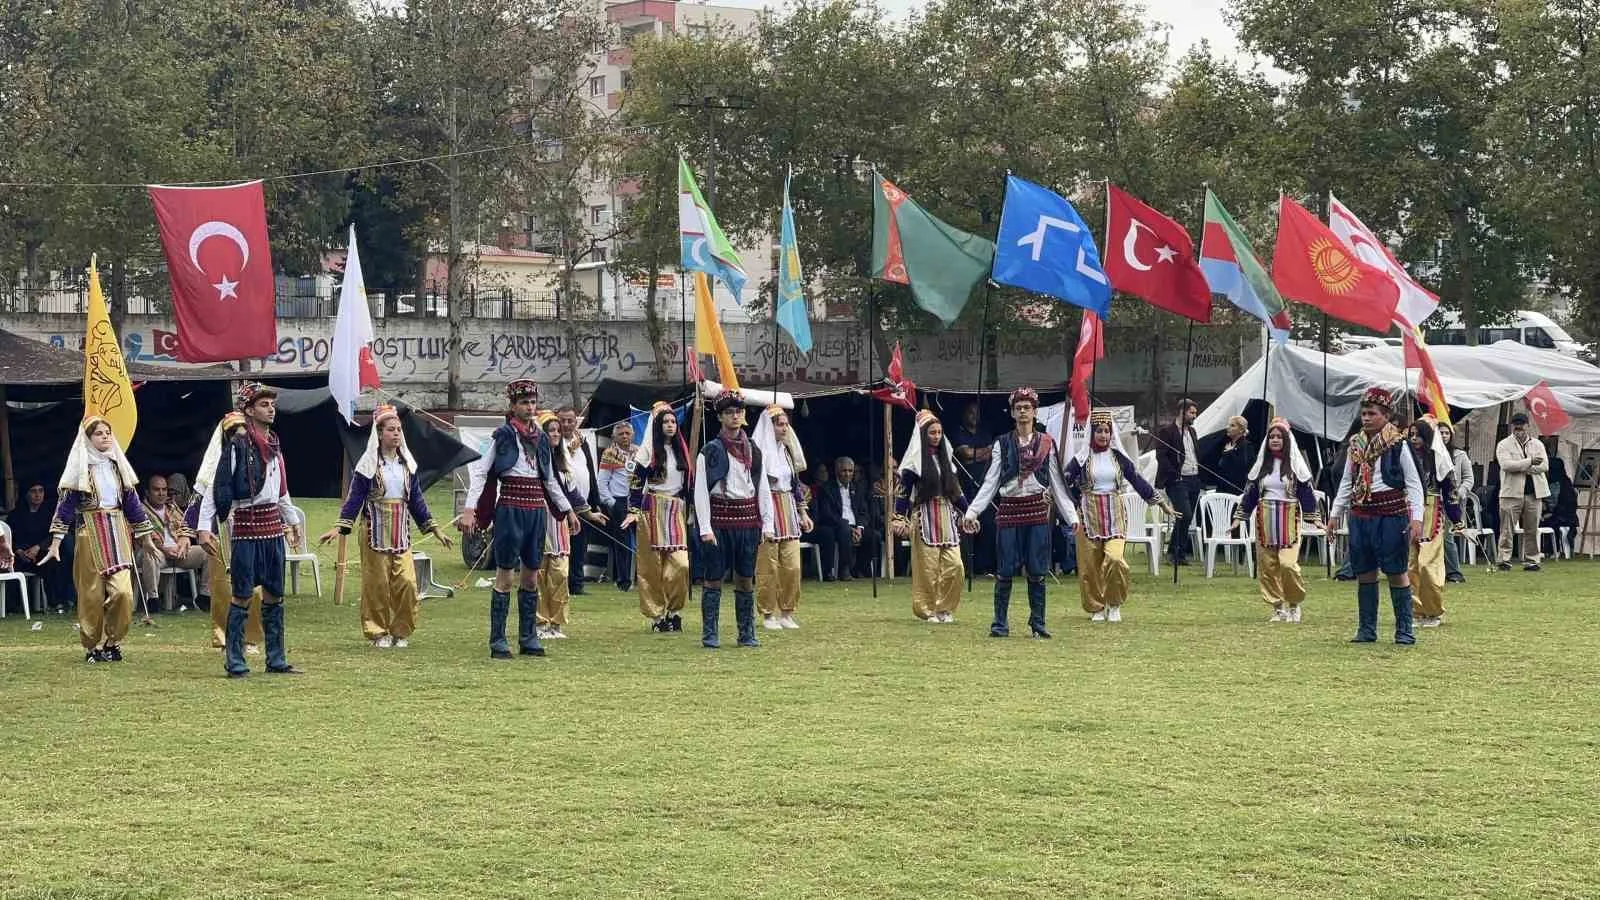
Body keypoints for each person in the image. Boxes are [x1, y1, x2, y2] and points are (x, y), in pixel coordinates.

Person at [461, 380, 594, 660]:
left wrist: (568, 510)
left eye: (532, 402)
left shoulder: (543, 439)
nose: (529, 407)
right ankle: (498, 640)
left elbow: (550, 480)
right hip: (510, 508)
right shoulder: (504, 436)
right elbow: (482, 473)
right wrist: (470, 509)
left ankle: (528, 637)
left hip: (535, 510)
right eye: (524, 403)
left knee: (532, 575)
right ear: (513, 406)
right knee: (506, 575)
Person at [320, 404, 452, 648]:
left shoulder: (407, 466)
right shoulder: (368, 466)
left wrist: (436, 529)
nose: (396, 434)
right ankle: (378, 632)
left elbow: (417, 500)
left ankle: (400, 631)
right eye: (391, 430)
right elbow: (355, 498)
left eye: (399, 430)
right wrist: (338, 528)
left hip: (400, 530)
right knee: (377, 585)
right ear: (379, 434)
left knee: (407, 584)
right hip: (374, 530)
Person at [205, 383, 307, 677]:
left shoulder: (274, 443)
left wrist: (293, 521)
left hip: (273, 525)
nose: (271, 408)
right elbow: (218, 486)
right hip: (247, 525)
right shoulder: (237, 446)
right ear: (249, 411)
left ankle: (276, 658)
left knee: (275, 593)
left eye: (272, 404)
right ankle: (235, 661)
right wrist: (204, 527)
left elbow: (281, 489)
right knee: (242, 594)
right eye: (264, 405)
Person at [962, 387, 1077, 638]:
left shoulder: (1047, 443)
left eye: (1027, 408)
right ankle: (1000, 624)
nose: (1023, 412)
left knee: (1037, 571)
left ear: (1035, 412)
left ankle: (1038, 623)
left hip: (1036, 511)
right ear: (1012, 413)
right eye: (1018, 408)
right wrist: (972, 512)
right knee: (1004, 571)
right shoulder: (1002, 444)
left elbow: (1057, 483)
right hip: (1009, 510)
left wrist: (1072, 517)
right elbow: (991, 482)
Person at [42, 417, 158, 662]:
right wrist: (55, 543)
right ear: (88, 439)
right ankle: (91, 646)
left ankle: (113, 641)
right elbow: (64, 509)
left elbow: (133, 505)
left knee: (123, 593)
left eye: (107, 432)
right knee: (91, 595)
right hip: (89, 534)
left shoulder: (118, 467)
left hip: (117, 532)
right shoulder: (80, 470)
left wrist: (146, 538)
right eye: (99, 434)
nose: (105, 436)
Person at [1328, 387, 1425, 646]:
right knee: (1365, 572)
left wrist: (1416, 518)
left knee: (1396, 571)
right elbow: (1347, 482)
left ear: (1385, 415)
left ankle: (1404, 630)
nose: (1366, 418)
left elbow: (1414, 483)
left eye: (1372, 413)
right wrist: (1335, 514)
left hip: (1391, 514)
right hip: (1361, 514)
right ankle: (1367, 629)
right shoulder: (1356, 445)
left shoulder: (1398, 444)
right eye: (1364, 413)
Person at [1061, 408, 1170, 623]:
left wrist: (1160, 503)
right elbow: (1064, 481)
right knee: (1090, 565)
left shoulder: (1119, 458)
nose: (1103, 435)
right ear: (1091, 433)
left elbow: (1138, 481)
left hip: (1115, 513)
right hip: (1088, 514)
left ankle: (1114, 603)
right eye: (1099, 431)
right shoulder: (1081, 459)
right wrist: (1056, 496)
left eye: (1107, 431)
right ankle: (1097, 607)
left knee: (1115, 558)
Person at [694, 392, 776, 649]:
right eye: (729, 412)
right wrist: (705, 527)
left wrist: (768, 522)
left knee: (745, 577)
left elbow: (762, 487)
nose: (735, 416)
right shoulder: (709, 451)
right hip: (719, 518)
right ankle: (710, 633)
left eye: (738, 412)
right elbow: (700, 492)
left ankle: (747, 633)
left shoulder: (754, 450)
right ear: (720, 416)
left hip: (748, 520)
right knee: (714, 577)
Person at [188, 412, 263, 653]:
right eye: (233, 431)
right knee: (221, 587)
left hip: (252, 526)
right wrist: (190, 531)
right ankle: (223, 637)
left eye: (242, 429)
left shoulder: (257, 459)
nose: (239, 434)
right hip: (221, 530)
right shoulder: (214, 466)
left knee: (254, 583)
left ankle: (250, 638)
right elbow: (200, 500)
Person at [1233, 418, 1319, 623]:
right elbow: (1251, 494)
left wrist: (1314, 518)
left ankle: (1294, 604)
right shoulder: (1262, 466)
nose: (1275, 440)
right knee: (1268, 566)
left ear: (1287, 440)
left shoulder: (1295, 466)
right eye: (1271, 436)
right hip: (1265, 520)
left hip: (1289, 519)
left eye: (1279, 437)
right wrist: (1239, 518)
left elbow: (1307, 494)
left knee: (1288, 564)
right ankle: (1277, 607)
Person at [894, 411, 975, 622]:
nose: (936, 436)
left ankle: (944, 608)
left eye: (939, 432)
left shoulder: (946, 459)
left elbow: (956, 492)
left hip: (946, 515)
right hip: (924, 516)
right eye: (932, 433)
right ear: (924, 435)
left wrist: (970, 512)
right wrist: (898, 518)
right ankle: (927, 610)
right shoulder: (915, 463)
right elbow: (903, 493)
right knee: (927, 569)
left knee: (955, 565)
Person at [621, 401, 692, 633]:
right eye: (666, 422)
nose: (670, 425)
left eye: (673, 422)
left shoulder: (682, 450)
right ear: (658, 426)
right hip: (651, 508)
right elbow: (635, 482)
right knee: (653, 567)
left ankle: (675, 610)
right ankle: (657, 616)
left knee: (680, 564)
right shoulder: (648, 452)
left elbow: (688, 484)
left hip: (675, 510)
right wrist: (632, 511)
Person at [753, 404, 811, 630]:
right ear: (770, 427)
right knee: (769, 565)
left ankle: (787, 611)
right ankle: (768, 614)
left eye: (786, 424)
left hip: (787, 507)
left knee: (793, 566)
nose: (784, 428)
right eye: (780, 424)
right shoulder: (757, 453)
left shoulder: (787, 452)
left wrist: (803, 512)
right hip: (766, 507)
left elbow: (795, 484)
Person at [1408, 417, 1463, 628]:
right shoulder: (1407, 457)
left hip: (1432, 512)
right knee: (1412, 565)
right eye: (1411, 435)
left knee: (1427, 565)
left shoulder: (1438, 459)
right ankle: (1417, 611)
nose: (1414, 439)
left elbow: (1450, 491)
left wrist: (1457, 518)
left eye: (1418, 435)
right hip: (1410, 512)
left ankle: (1433, 611)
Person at [535, 411, 580, 639]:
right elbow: (548, 487)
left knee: (561, 573)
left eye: (557, 431)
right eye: (550, 430)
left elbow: (571, 490)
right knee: (540, 573)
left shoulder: (563, 459)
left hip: (560, 519)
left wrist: (588, 513)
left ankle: (557, 622)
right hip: (541, 516)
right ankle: (540, 623)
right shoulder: (536, 460)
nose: (555, 434)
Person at [136, 474, 208, 613]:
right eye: (156, 489)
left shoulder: (172, 507)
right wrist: (163, 548)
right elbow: (139, 536)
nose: (161, 493)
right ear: (147, 492)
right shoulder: (139, 510)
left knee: (208, 550)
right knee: (150, 554)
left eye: (164, 489)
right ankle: (153, 600)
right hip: (155, 552)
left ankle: (205, 596)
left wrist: (184, 539)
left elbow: (185, 526)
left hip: (177, 553)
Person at [7, 482, 75, 613]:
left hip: (44, 552)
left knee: (56, 561)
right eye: (33, 491)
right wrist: (19, 551)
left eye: (40, 491)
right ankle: (12, 606)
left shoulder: (51, 513)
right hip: (21, 555)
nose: (37, 495)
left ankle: (57, 603)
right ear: (26, 495)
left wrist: (38, 547)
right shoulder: (16, 515)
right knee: (8, 565)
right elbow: (11, 537)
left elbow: (56, 533)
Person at [1495, 412, 1549, 571]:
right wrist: (1530, 462)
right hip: (1511, 493)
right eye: (1516, 424)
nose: (1519, 427)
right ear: (1512, 426)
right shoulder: (1503, 444)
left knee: (1532, 529)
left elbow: (1545, 466)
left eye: (1522, 424)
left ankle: (1531, 560)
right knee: (1507, 529)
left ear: (1527, 425)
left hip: (1534, 493)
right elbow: (1506, 465)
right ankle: (1504, 560)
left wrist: (1522, 467)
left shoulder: (1538, 444)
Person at [557, 405, 601, 596]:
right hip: (563, 504)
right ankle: (561, 584)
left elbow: (590, 471)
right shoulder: (554, 443)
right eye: (562, 421)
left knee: (580, 547)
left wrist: (594, 501)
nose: (566, 424)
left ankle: (577, 584)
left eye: (570, 420)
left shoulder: (582, 443)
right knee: (563, 547)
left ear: (577, 422)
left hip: (584, 504)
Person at [1155, 398, 1203, 566]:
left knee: (1187, 518)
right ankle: (1175, 552)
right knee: (1185, 513)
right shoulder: (1167, 432)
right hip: (1177, 480)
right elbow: (1161, 456)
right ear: (1182, 411)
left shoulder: (1193, 432)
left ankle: (1178, 553)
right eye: (1192, 412)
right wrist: (1175, 474)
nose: (1194, 416)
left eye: (1195, 413)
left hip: (1194, 478)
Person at [951, 402, 996, 575]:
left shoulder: (985, 431)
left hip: (984, 486)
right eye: (970, 413)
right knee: (967, 524)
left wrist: (975, 454)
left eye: (976, 413)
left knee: (988, 524)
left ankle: (985, 567)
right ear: (964, 414)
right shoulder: (958, 431)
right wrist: (981, 453)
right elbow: (965, 455)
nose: (974, 416)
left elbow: (990, 453)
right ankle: (967, 568)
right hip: (965, 486)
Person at [810, 456, 864, 581]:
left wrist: (860, 528)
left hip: (856, 526)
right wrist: (847, 526)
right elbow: (826, 513)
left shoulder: (857, 488)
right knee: (842, 530)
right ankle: (843, 570)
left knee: (875, 536)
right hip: (837, 525)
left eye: (850, 471)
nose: (847, 474)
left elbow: (863, 512)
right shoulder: (827, 488)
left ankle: (861, 570)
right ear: (836, 471)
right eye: (844, 470)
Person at [598, 420, 636, 592]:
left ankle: (640, 577)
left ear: (633, 435)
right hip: (618, 501)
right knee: (622, 542)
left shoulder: (638, 452)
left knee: (639, 540)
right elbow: (602, 482)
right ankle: (623, 580)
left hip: (635, 500)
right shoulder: (609, 454)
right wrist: (611, 503)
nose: (625, 436)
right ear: (614, 436)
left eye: (627, 433)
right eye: (621, 434)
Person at [1437, 421, 1474, 583]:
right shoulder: (1429, 453)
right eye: (1440, 433)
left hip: (1452, 500)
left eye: (1446, 433)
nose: (1444, 436)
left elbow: (1469, 478)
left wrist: (1461, 491)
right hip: (1432, 500)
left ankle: (1453, 572)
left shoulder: (1459, 454)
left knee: (1447, 537)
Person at [1542, 437, 1579, 559]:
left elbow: (1564, 505)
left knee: (1548, 522)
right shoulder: (1553, 482)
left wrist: (1550, 514)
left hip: (1563, 517)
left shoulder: (1562, 484)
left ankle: (1552, 550)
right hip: (1556, 515)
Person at [1211, 415, 1254, 495]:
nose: (1228, 427)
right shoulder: (1226, 444)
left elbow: (1242, 466)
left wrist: (1230, 452)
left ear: (1241, 430)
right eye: (1228, 425)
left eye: (1232, 425)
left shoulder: (1246, 446)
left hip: (1236, 490)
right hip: (1222, 488)